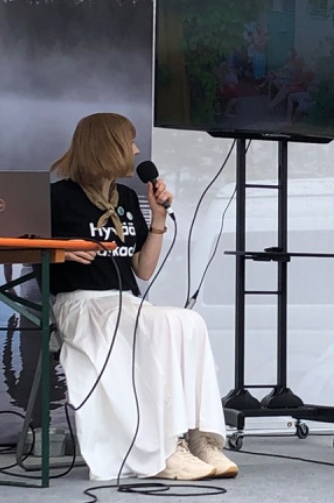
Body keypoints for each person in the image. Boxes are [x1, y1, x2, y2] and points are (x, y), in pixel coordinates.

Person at [49, 113, 238, 481]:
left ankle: (198, 435)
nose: (136, 150)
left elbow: (143, 270)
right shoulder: (57, 197)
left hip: (125, 302)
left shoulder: (127, 200)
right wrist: (62, 251)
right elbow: (23, 249)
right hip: (82, 303)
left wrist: (157, 217)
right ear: (108, 146)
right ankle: (165, 446)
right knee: (160, 322)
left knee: (188, 320)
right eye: (130, 142)